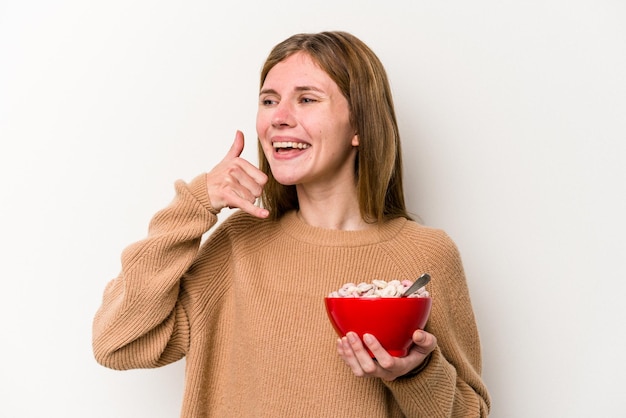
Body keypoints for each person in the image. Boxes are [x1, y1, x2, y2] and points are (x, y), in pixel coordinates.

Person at [92, 31, 491, 417]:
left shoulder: (426, 255)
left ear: (359, 126)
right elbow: (117, 342)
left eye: (306, 99)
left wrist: (416, 373)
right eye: (269, 101)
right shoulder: (239, 243)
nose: (279, 118)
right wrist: (196, 202)